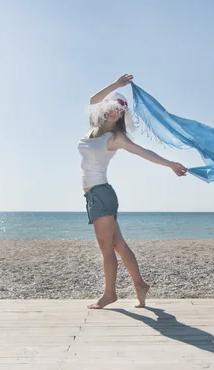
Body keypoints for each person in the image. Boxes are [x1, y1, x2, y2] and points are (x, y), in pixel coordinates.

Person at [78, 74, 187, 309]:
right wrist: (117, 85)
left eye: (119, 111)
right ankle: (139, 284)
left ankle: (110, 294)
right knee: (118, 244)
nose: (114, 113)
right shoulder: (93, 129)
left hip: (101, 195)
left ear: (122, 117)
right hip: (95, 196)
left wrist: (171, 164)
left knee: (106, 248)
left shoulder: (116, 137)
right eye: (111, 108)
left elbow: (143, 152)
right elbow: (92, 99)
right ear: (104, 109)